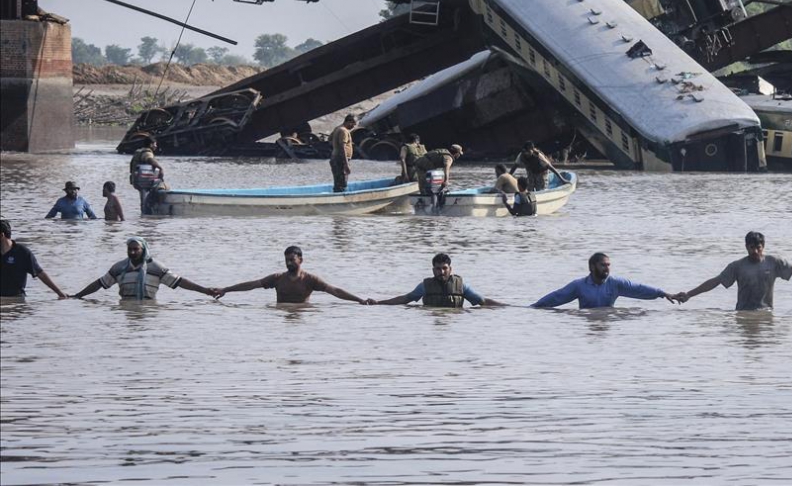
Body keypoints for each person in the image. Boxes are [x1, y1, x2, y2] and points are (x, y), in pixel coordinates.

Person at [672, 231, 792, 310]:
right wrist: (689, 294)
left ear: (763, 247)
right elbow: (715, 282)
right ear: (746, 247)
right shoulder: (737, 266)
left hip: (766, 313)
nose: (755, 251)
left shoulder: (774, 262)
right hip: (743, 313)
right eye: (751, 247)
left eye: (758, 247)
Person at [73, 237, 219, 300]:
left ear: (143, 250)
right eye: (130, 249)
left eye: (135, 249)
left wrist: (205, 291)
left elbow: (180, 282)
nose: (132, 252)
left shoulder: (155, 267)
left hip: (149, 306)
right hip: (125, 304)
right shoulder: (119, 268)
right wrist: (77, 296)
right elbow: (99, 284)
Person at [215, 246, 372, 304]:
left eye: (292, 260)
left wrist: (359, 300)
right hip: (281, 312)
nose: (288, 263)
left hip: (302, 311)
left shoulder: (311, 280)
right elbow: (251, 285)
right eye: (286, 260)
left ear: (301, 260)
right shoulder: (277, 278)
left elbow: (335, 291)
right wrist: (226, 289)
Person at [532, 252, 675, 309]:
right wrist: (532, 308)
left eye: (608, 265)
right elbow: (557, 297)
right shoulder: (579, 286)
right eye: (603, 265)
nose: (607, 268)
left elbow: (639, 289)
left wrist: (663, 293)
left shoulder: (615, 284)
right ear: (592, 267)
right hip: (587, 323)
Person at [375, 253, 502, 308]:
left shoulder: (461, 285)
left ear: (450, 269)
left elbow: (483, 302)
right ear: (433, 270)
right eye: (438, 269)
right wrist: (378, 303)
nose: (441, 272)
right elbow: (405, 299)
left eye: (444, 268)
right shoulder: (425, 286)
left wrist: (507, 307)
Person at [1, 219, 68, 299]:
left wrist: (60, 293)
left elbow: (40, 274)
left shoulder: (22, 252)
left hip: (16, 300)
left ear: (2, 235)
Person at [129, 136, 164, 215]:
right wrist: (160, 168)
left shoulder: (138, 151)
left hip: (136, 179)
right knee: (161, 185)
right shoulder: (147, 152)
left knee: (143, 199)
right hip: (143, 180)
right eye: (155, 144)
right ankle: (149, 212)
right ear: (151, 144)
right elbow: (149, 159)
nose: (156, 146)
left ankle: (145, 215)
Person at [330, 114, 357, 192]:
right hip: (341, 159)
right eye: (353, 124)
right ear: (349, 122)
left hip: (335, 157)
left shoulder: (337, 128)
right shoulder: (344, 131)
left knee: (337, 183)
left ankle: (336, 199)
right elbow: (343, 147)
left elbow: (330, 139)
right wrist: (346, 164)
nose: (354, 126)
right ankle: (342, 200)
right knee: (342, 183)